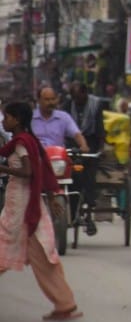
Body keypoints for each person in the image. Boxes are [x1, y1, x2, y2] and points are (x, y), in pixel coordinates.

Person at [0, 101, 82, 322]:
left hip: (21, 206)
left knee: (6, 246)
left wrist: (3, 168)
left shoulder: (21, 143)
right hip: (30, 203)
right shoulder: (27, 140)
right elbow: (42, 168)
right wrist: (52, 195)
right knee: (43, 255)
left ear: (17, 120)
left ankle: (64, 303)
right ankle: (64, 302)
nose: (4, 121)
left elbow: (28, 172)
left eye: (7, 117)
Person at [32, 87, 92, 232]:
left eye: (53, 99)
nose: (50, 102)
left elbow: (76, 134)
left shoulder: (63, 117)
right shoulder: (31, 118)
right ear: (39, 100)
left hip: (58, 161)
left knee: (79, 178)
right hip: (37, 161)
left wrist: (83, 145)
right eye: (46, 99)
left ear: (57, 100)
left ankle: (76, 213)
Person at [66, 81, 107, 235]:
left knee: (90, 175)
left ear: (85, 93)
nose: (76, 100)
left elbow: (100, 128)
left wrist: (101, 148)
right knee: (70, 177)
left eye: (78, 97)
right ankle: (70, 209)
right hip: (72, 144)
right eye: (74, 97)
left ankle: (89, 209)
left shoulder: (96, 105)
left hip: (91, 144)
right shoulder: (67, 105)